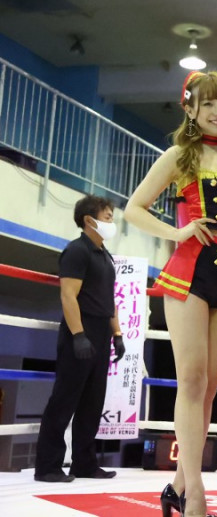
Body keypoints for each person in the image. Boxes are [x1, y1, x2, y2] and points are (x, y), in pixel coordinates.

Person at [124, 71, 217, 517]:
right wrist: (177, 231)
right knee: (191, 381)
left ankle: (177, 485)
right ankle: (196, 494)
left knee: (208, 388)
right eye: (207, 103)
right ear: (189, 109)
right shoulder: (180, 155)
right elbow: (133, 208)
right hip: (189, 274)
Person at [34, 195, 124, 483]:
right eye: (107, 217)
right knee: (64, 400)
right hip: (80, 330)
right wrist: (79, 335)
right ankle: (47, 467)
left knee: (93, 402)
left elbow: (109, 299)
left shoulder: (105, 255)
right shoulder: (76, 251)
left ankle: (84, 463)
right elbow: (68, 296)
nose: (112, 222)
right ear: (89, 220)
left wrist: (117, 334)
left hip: (101, 332)